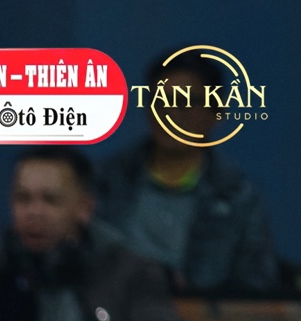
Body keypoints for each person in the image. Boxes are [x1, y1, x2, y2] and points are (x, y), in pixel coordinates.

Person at [97, 51, 281, 295]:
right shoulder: (104, 181)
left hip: (204, 317)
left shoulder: (239, 198)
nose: (171, 115)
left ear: (217, 113)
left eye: (185, 103)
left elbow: (257, 288)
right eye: (161, 101)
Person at [0, 150, 196, 321]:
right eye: (23, 199)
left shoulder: (131, 274)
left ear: (84, 208)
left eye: (50, 200)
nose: (34, 212)